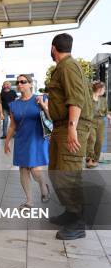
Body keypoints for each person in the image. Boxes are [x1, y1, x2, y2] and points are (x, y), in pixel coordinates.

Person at [46, 33, 93, 240]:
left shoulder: (68, 66)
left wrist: (72, 127)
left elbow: (76, 97)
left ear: (53, 48)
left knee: (68, 173)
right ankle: (70, 212)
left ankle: (78, 222)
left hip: (71, 126)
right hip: (61, 126)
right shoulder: (63, 67)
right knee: (56, 171)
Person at [3, 74, 50, 208]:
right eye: (17, 82)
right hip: (21, 139)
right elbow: (12, 125)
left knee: (35, 169)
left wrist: (43, 105)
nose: (19, 84)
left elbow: (51, 117)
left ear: (30, 84)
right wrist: (7, 141)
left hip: (37, 137)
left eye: (23, 81)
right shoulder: (13, 104)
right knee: (23, 169)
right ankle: (29, 201)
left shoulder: (41, 98)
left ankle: (43, 185)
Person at [86, 81, 111, 168]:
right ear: (100, 89)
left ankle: (95, 159)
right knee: (91, 140)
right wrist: (91, 84)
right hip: (91, 121)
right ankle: (89, 159)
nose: (104, 90)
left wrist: (108, 116)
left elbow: (106, 111)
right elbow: (86, 88)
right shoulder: (89, 98)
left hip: (101, 122)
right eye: (104, 89)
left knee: (99, 141)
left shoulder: (103, 100)